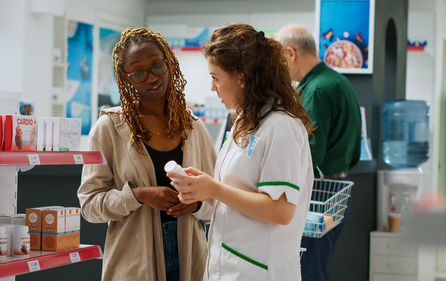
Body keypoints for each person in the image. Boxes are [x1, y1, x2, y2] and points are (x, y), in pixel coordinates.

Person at [166, 23, 314, 281]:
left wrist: (215, 189)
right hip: (231, 266)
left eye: (216, 78)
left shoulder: (281, 127)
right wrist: (203, 189)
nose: (213, 88)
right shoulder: (245, 122)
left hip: (259, 271)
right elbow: (238, 194)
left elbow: (281, 211)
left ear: (242, 78)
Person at [77, 27, 217, 281]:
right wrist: (138, 196)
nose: (152, 78)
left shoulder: (194, 128)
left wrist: (195, 204)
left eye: (157, 66)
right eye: (139, 72)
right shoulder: (110, 128)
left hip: (191, 260)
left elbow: (218, 201)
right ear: (126, 77)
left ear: (169, 62)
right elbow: (89, 206)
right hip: (134, 264)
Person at [276, 24, 361, 281]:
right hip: (338, 188)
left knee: (307, 269)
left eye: (280, 59)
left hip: (318, 194)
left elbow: (309, 155)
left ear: (291, 54)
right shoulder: (338, 81)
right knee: (318, 265)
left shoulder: (316, 90)